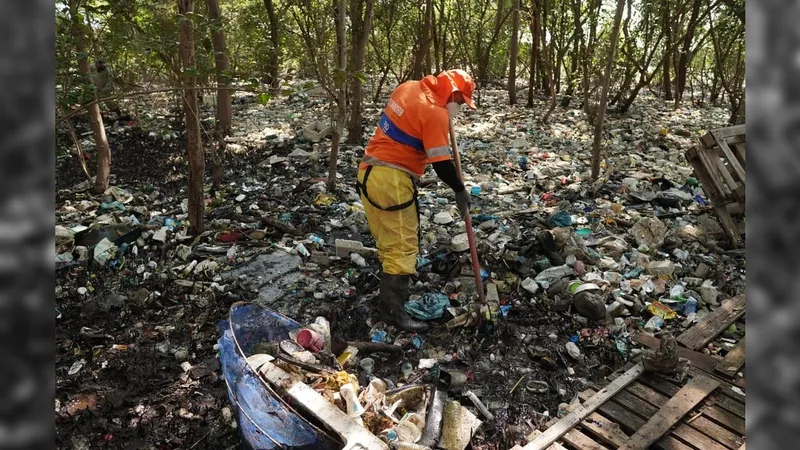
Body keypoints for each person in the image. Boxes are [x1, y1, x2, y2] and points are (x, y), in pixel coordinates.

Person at [356, 69, 477, 331]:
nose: (459, 108)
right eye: (460, 101)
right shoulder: (435, 113)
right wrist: (459, 189)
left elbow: (405, 134)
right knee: (402, 246)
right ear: (453, 93)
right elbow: (442, 164)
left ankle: (389, 299)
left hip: (369, 172)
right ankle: (392, 312)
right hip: (391, 182)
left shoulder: (408, 87)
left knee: (389, 242)